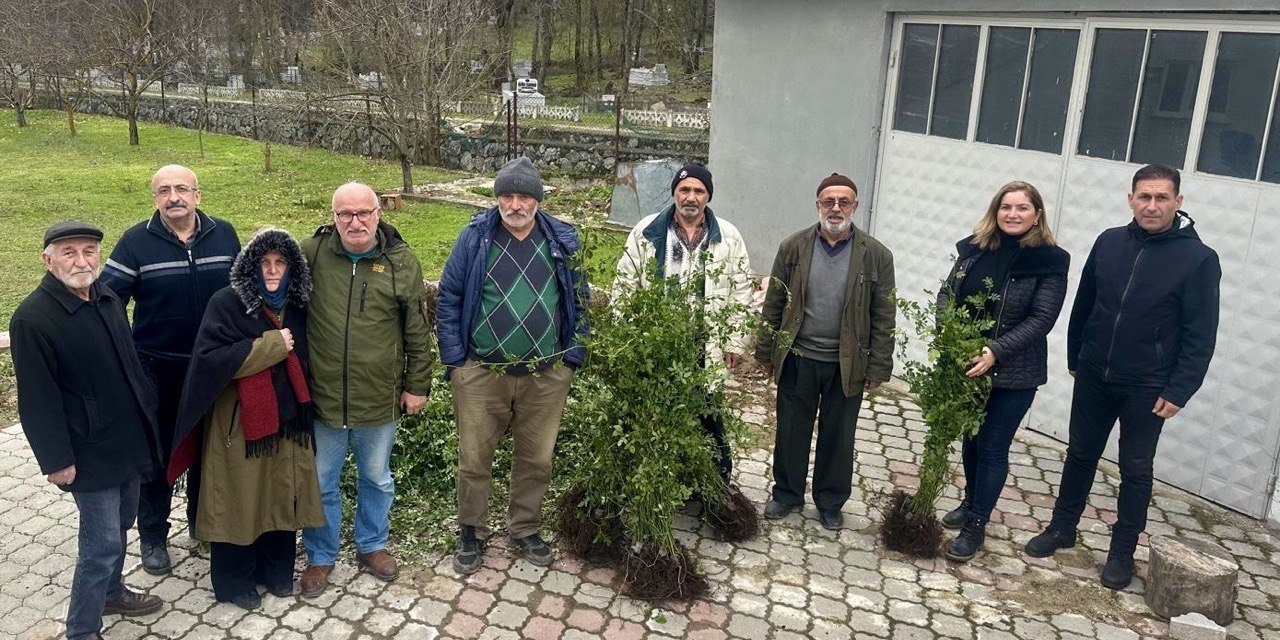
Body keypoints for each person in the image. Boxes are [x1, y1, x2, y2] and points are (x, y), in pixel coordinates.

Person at [1025, 164, 1221, 590]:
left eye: (1162, 198)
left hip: (1149, 385)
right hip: (1096, 372)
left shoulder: (1198, 259)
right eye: (1144, 197)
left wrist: (1180, 389)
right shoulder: (1110, 242)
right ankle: (1062, 527)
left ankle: (1121, 552)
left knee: (1135, 469)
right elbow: (1085, 303)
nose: (1152, 205)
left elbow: (1200, 333)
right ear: (1130, 199)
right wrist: (1076, 354)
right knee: (1079, 453)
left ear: (1178, 202)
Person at [10, 222, 165, 640]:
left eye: (89, 251)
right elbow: (37, 400)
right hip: (88, 451)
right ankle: (82, 629)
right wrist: (56, 461)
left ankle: (112, 593)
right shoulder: (32, 318)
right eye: (68, 253)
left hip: (127, 441)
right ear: (48, 260)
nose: (81, 261)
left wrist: (149, 415)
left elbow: (130, 365)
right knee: (99, 547)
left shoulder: (108, 297)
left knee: (122, 524)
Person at [437, 157, 589, 574]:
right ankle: (472, 530)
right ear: (497, 197)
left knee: (536, 458)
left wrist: (572, 358)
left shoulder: (562, 239)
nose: (515, 204)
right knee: (473, 459)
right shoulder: (474, 238)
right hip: (482, 373)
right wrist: (456, 363)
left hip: (546, 373)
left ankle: (524, 528)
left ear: (537, 200)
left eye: (524, 196)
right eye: (507, 195)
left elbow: (580, 300)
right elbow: (449, 298)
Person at [167, 228, 324, 610]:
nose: (272, 271)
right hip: (239, 425)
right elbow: (210, 360)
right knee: (239, 499)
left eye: (280, 263)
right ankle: (234, 581)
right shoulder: (227, 303)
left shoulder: (297, 305)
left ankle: (275, 572)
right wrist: (272, 345)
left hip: (288, 421)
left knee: (280, 494)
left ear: (292, 268)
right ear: (249, 267)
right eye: (263, 263)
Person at [100, 164, 240, 574]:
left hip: (214, 366)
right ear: (154, 198)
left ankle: (205, 524)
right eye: (164, 190)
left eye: (182, 188)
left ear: (198, 194)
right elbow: (108, 299)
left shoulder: (224, 233)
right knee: (157, 457)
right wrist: (124, 355)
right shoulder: (135, 242)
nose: (173, 196)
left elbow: (242, 289)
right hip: (157, 369)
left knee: (211, 449)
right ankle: (153, 538)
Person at [298, 182, 433, 596]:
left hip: (379, 396)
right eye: (345, 214)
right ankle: (320, 556)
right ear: (333, 216)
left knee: (377, 478)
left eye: (363, 213)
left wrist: (418, 385)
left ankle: (372, 544)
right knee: (321, 482)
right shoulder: (312, 253)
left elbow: (417, 329)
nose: (355, 222)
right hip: (324, 398)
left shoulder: (401, 261)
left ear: (379, 213)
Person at [933, 181, 1070, 561]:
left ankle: (977, 523)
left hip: (1014, 373)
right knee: (971, 440)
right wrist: (948, 326)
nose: (1013, 214)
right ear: (995, 211)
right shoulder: (976, 249)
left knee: (993, 446)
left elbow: (1042, 318)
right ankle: (970, 501)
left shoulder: (1050, 260)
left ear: (1037, 215)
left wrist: (994, 351)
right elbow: (949, 291)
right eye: (1006, 207)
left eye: (1022, 208)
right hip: (967, 366)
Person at [756, 173, 896, 530]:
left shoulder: (876, 255)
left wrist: (878, 366)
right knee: (790, 430)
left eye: (844, 201)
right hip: (798, 358)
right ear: (817, 204)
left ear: (855, 206)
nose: (836, 208)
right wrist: (765, 352)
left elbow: (884, 313)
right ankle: (786, 494)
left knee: (839, 435)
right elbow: (774, 302)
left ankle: (831, 501)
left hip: (845, 365)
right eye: (828, 201)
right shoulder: (793, 248)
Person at [613, 163, 754, 482]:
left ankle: (715, 483)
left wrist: (734, 341)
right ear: (675, 193)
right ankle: (657, 479)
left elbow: (741, 289)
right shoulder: (648, 231)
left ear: (708, 196)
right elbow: (625, 283)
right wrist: (627, 337)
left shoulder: (727, 236)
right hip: (657, 343)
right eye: (684, 190)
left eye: (699, 191)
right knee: (656, 411)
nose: (691, 197)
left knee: (707, 414)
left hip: (705, 344)